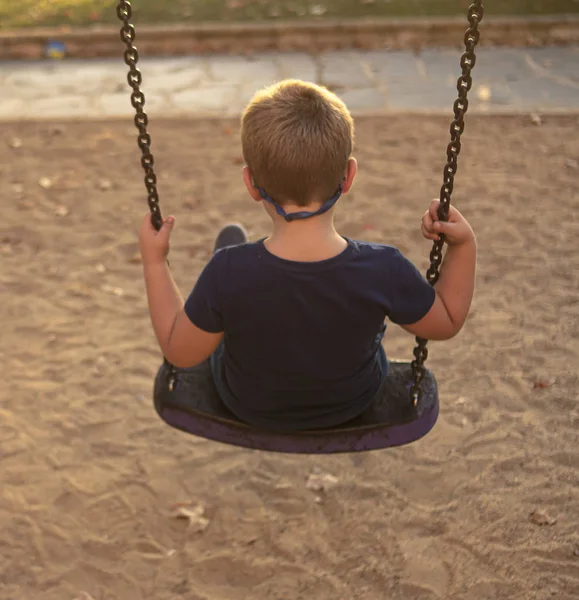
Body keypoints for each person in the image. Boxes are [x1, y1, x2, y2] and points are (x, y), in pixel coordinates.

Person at [138, 79, 476, 433]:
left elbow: (180, 352)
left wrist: (154, 262)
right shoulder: (383, 268)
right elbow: (447, 320)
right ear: (348, 177)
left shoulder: (227, 272)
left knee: (230, 271)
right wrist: (463, 245)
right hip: (352, 401)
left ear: (251, 184)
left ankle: (229, 293)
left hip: (248, 402)